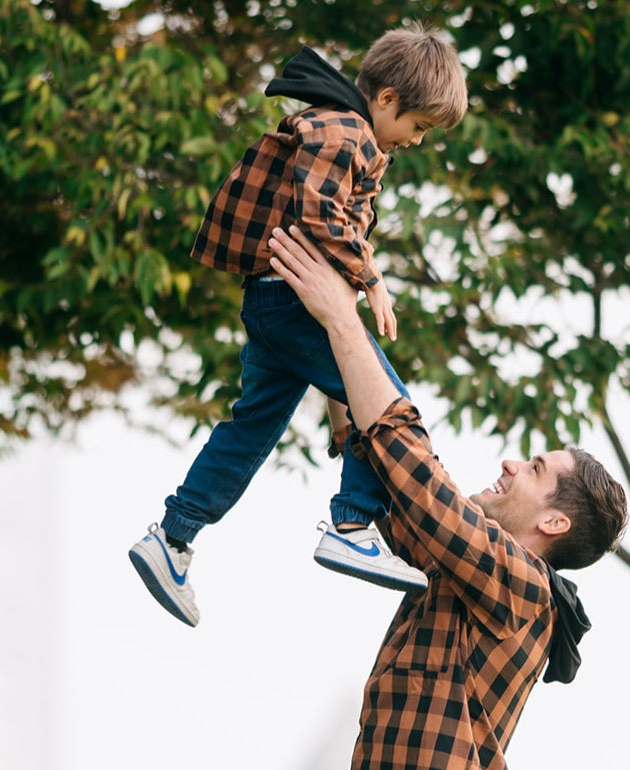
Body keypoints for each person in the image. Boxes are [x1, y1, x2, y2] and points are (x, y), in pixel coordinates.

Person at [266, 224, 629, 770]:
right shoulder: (457, 570)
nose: (507, 462)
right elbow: (387, 477)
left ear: (552, 520)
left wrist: (344, 325)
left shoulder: (518, 585)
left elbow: (415, 476)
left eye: (531, 470)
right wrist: (328, 325)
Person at [129, 26, 467, 627]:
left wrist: (341, 398)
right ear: (387, 99)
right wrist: (373, 278)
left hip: (276, 303)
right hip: (291, 301)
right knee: (385, 403)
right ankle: (353, 523)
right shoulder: (347, 131)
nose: (415, 141)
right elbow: (321, 213)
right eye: (418, 126)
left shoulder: (346, 130)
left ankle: (174, 537)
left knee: (252, 429)